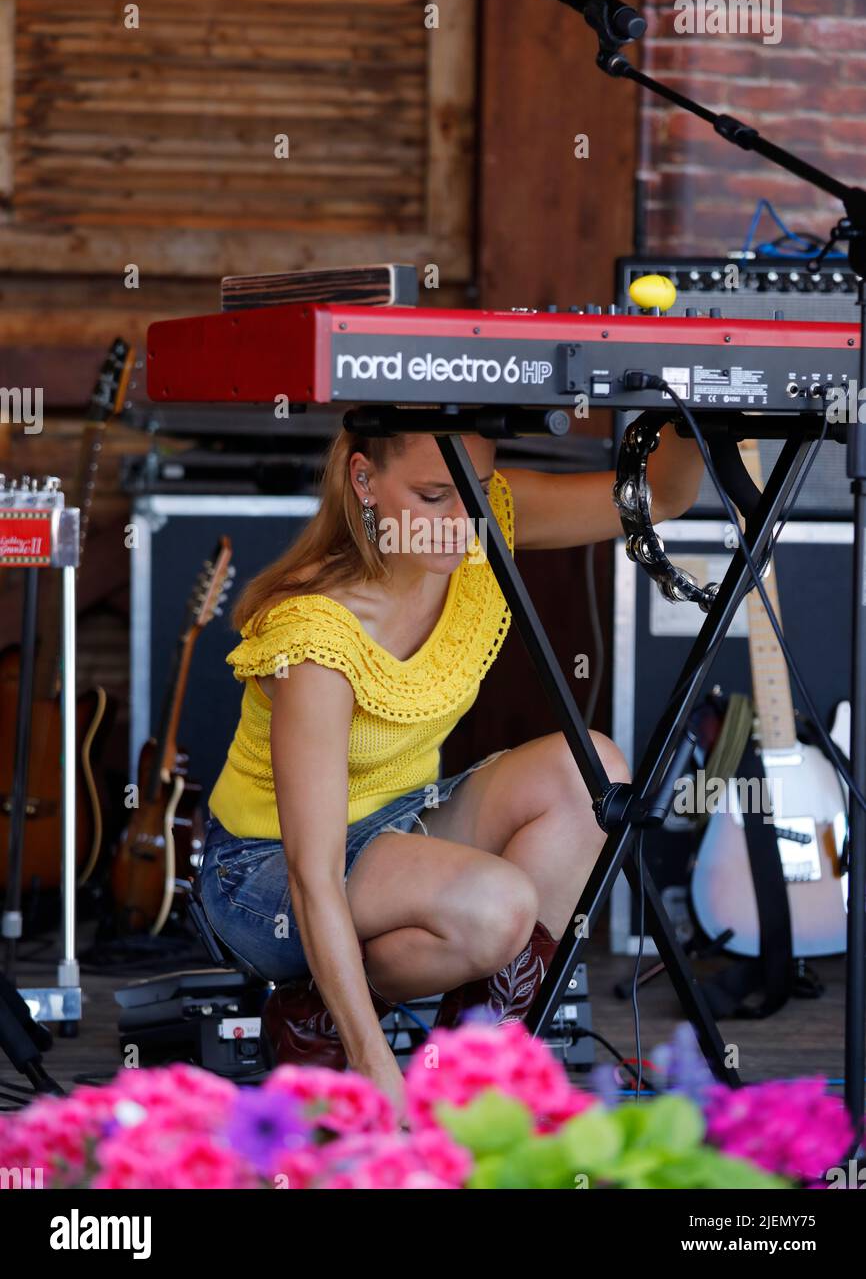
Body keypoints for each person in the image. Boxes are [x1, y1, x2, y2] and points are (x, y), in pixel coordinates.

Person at [198, 418, 704, 1116]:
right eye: (434, 495)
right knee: (496, 908)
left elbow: (662, 496)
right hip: (265, 876)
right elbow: (311, 873)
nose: (460, 521)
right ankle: (350, 1031)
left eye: (473, 490)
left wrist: (691, 395)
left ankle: (454, 1065)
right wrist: (379, 1067)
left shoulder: (483, 519)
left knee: (593, 769)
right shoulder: (314, 635)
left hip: (399, 823)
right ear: (364, 480)